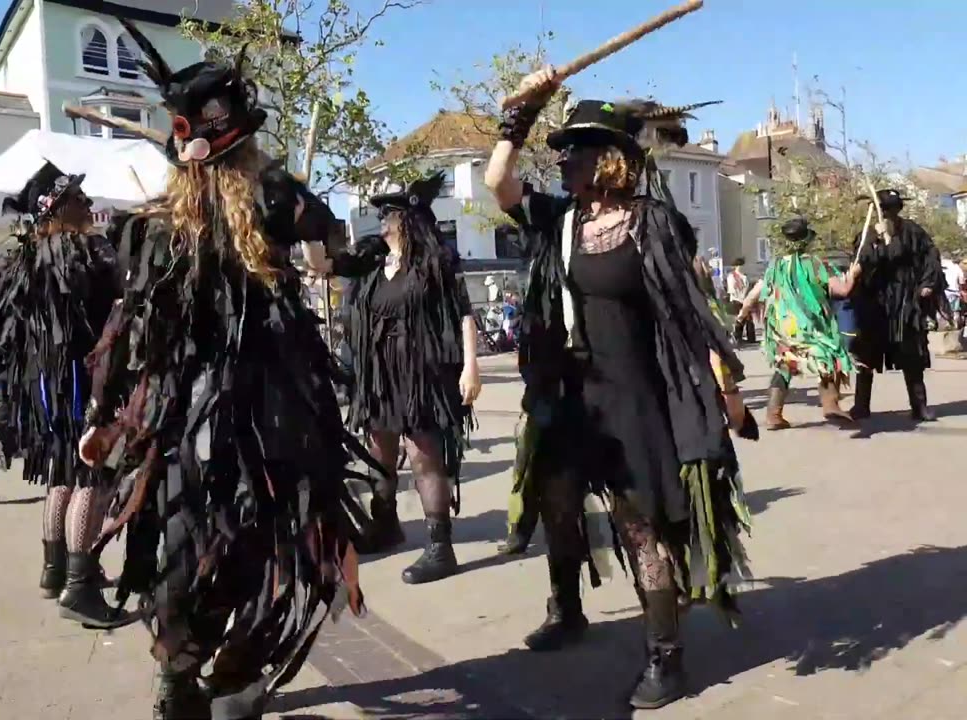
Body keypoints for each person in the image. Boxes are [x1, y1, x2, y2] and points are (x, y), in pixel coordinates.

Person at [75, 24, 380, 720]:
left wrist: (322, 245)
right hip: (200, 409)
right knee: (201, 543)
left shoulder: (263, 195)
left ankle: (218, 667)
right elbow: (135, 323)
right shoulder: (178, 220)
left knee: (252, 540)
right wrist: (107, 416)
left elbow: (325, 241)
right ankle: (190, 672)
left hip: (265, 405)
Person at [485, 72, 751, 710]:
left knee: (640, 530)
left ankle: (666, 655)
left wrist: (722, 388)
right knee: (555, 505)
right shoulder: (557, 219)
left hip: (634, 396)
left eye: (576, 148)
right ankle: (566, 608)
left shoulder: (654, 224)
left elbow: (689, 310)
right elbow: (498, 182)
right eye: (563, 148)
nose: (564, 158)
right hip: (568, 395)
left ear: (609, 159)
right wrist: (523, 112)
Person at [0, 161, 129, 629]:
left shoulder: (23, 258)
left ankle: (56, 570)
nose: (89, 207)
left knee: (62, 472)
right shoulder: (91, 252)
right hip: (80, 378)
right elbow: (122, 305)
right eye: (81, 201)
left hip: (40, 383)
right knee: (92, 474)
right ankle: (80, 587)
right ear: (60, 209)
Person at [325, 172, 480, 585]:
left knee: (423, 453)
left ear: (409, 218)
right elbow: (321, 265)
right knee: (379, 450)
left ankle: (440, 546)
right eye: (380, 213)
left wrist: (471, 366)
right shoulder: (375, 265)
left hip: (422, 372)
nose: (382, 220)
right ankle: (385, 523)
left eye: (389, 213)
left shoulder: (435, 263)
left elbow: (464, 312)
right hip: (380, 373)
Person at [735, 218, 860, 430]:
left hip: (782, 329)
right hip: (812, 327)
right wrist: (853, 276)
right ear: (807, 240)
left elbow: (754, 295)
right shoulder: (816, 264)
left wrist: (740, 317)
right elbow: (843, 291)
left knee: (785, 365)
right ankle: (830, 403)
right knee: (831, 356)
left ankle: (774, 415)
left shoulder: (775, 267)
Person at [850, 189, 941, 422]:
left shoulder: (913, 231)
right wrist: (877, 242)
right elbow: (862, 264)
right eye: (885, 210)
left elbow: (931, 255)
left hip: (906, 303)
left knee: (912, 355)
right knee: (866, 355)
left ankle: (919, 406)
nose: (889, 214)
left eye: (893, 209)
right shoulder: (868, 235)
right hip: (875, 304)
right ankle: (861, 406)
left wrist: (927, 283)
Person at [726, 258, 755, 344]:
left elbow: (747, 288)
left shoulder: (745, 277)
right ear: (736, 266)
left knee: (749, 320)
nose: (742, 268)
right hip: (736, 300)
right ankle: (738, 338)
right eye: (740, 266)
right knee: (739, 319)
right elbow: (732, 290)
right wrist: (740, 297)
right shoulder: (731, 276)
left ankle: (751, 339)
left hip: (745, 300)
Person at [941, 253, 963, 329]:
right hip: (954, 291)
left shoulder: (942, 267)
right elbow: (962, 281)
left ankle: (947, 323)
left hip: (944, 291)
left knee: (944, 308)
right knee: (955, 309)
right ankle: (955, 324)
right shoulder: (957, 268)